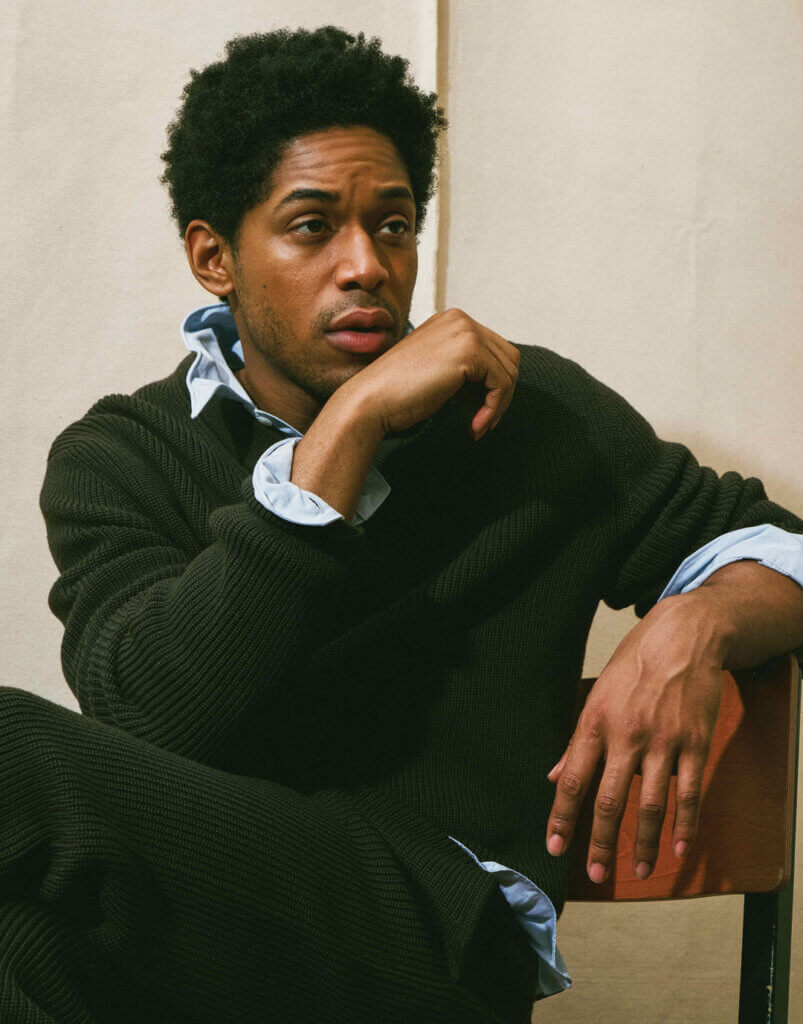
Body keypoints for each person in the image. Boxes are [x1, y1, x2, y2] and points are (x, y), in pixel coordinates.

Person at [2, 24, 799, 1024]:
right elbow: (150, 723)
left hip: (443, 938)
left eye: (392, 225)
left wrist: (698, 622)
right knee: (21, 945)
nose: (366, 265)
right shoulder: (121, 454)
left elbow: (779, 548)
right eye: (311, 227)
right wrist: (345, 436)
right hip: (208, 931)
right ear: (213, 257)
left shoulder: (531, 415)